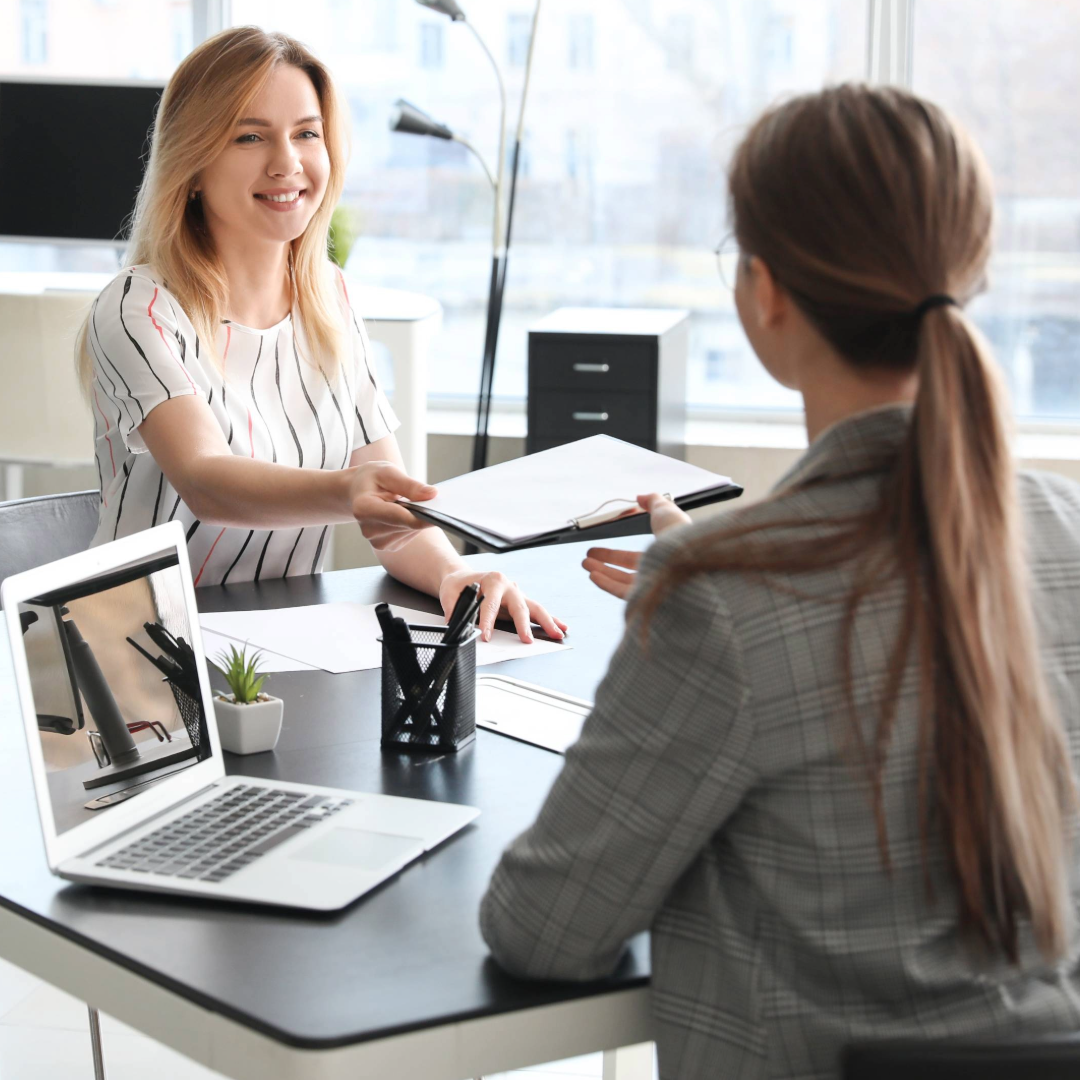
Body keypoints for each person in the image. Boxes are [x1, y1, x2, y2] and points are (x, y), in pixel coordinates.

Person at [479, 84, 1080, 1079]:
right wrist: (715, 585)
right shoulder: (1065, 528)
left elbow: (543, 931)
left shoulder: (720, 597)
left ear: (765, 293)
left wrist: (711, 594)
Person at [77, 27, 565, 644]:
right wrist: (348, 493)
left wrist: (456, 574)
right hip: (136, 647)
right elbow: (205, 479)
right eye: (249, 136)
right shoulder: (138, 307)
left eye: (306, 133)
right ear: (193, 166)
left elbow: (395, 515)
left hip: (277, 641)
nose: (287, 162)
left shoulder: (329, 298)